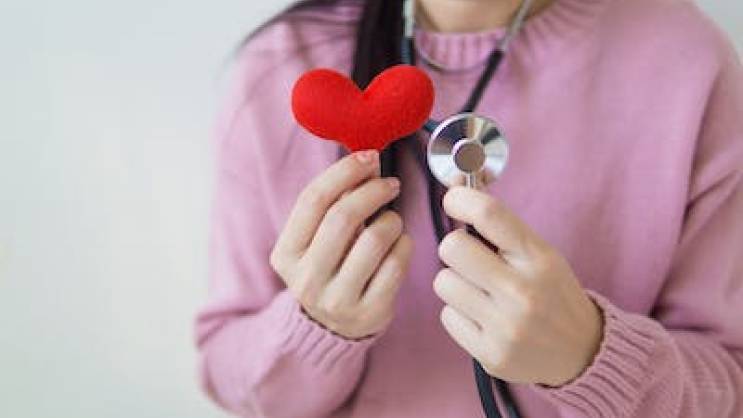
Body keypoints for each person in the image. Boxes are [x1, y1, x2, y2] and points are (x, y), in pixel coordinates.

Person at [194, 0, 743, 416]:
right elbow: (226, 371)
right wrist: (316, 328)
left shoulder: (685, 59)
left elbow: (732, 383)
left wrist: (593, 356)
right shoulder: (279, 66)